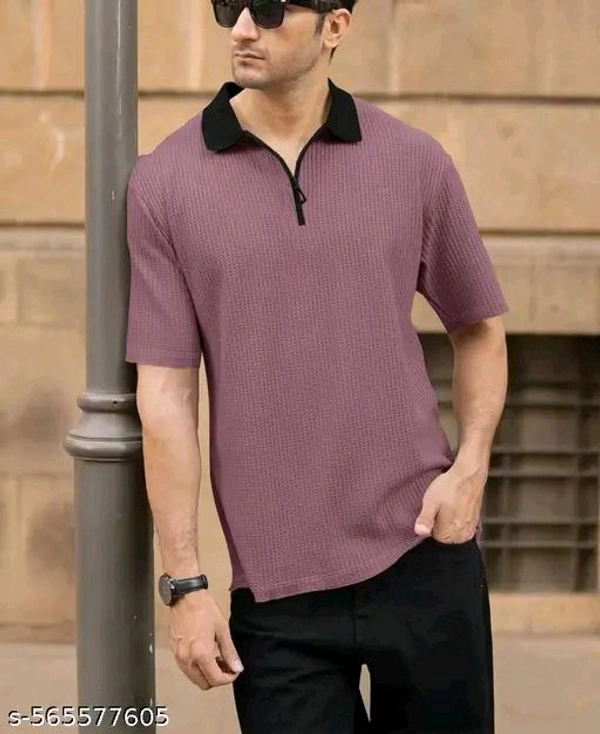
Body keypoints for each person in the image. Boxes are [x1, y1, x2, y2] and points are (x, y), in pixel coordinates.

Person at [125, 1, 508, 732]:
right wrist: (186, 584)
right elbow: (166, 396)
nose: (243, 27)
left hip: (425, 556)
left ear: (335, 27)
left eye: (270, 9)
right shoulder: (166, 182)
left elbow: (479, 326)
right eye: (229, 5)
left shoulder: (413, 162)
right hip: (276, 595)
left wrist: (472, 468)